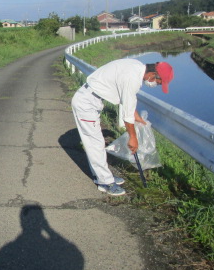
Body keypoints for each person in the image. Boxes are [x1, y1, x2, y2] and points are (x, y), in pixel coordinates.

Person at [71, 59, 174, 196]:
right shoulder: (133, 78)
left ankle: (101, 176)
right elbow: (127, 115)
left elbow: (128, 100)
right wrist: (133, 137)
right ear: (152, 75)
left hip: (91, 99)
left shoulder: (136, 67)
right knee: (95, 144)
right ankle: (105, 182)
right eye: (158, 82)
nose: (155, 84)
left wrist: (136, 115)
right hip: (86, 103)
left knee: (95, 142)